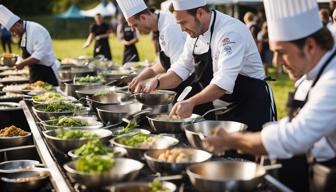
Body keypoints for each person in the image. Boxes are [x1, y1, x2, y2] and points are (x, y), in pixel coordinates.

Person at [204, 0, 336, 191]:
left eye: (282, 52)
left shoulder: (331, 83)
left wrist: (231, 140)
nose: (276, 61)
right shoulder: (321, 54)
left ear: (309, 46)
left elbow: (294, 136)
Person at [143, 0, 276, 132]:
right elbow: (182, 68)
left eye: (183, 22)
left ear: (200, 13)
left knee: (250, 151)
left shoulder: (230, 32)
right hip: (223, 104)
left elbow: (224, 81)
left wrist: (191, 102)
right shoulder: (195, 32)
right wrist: (157, 82)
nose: (182, 29)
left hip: (252, 103)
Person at [116, 0, 215, 117]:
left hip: (190, 90)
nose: (135, 30)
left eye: (135, 25)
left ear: (143, 17)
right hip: (181, 88)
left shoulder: (170, 29)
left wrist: (154, 83)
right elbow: (163, 63)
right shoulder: (160, 25)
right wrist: (140, 77)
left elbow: (179, 73)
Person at [0, 5, 59, 86]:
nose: (14, 34)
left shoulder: (35, 30)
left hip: (47, 73)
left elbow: (37, 57)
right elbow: (27, 53)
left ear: (18, 24)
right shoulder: (24, 32)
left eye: (13, 30)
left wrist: (22, 64)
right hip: (36, 72)